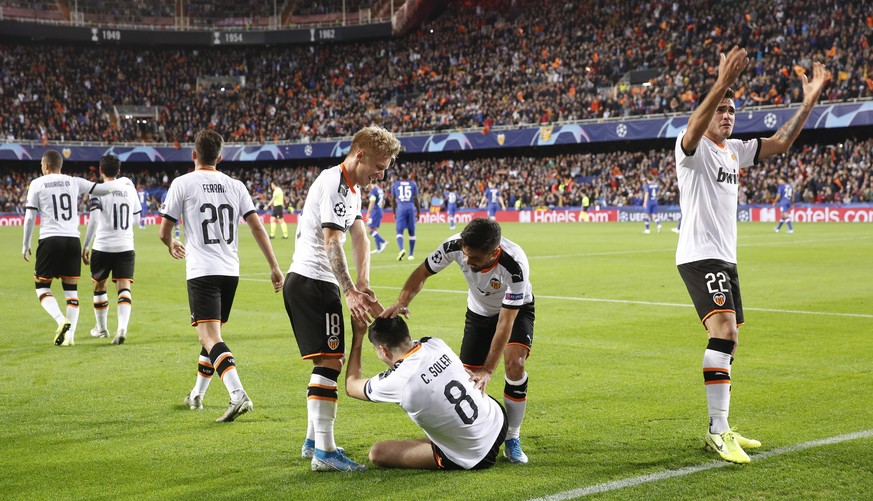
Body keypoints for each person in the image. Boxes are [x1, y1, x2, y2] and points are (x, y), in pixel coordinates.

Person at [675, 46, 827, 464]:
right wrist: (721, 82)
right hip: (699, 254)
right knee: (724, 331)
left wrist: (810, 99)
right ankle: (718, 430)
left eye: (732, 110)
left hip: (725, 258)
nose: (726, 115)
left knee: (731, 339)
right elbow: (693, 126)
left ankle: (719, 427)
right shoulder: (691, 149)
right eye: (720, 109)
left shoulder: (733, 151)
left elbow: (781, 141)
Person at [283, 125, 401, 472]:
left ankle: (313, 442)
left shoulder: (353, 190)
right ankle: (325, 453)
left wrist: (362, 282)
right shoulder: (335, 185)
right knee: (332, 363)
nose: (381, 175)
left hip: (316, 282)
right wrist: (349, 291)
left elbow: (360, 236)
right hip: (314, 281)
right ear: (360, 155)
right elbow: (332, 242)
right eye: (379, 166)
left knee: (327, 360)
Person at [382, 217, 534, 464]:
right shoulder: (455, 246)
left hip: (516, 311)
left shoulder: (514, 266)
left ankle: (512, 438)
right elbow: (423, 271)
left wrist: (488, 370)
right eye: (465, 255)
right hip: (478, 312)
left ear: (494, 252)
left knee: (515, 362)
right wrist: (402, 302)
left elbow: (505, 324)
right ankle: (471, 436)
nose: (466, 261)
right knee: (465, 379)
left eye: (474, 258)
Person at [159, 130, 284, 423]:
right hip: (231, 271)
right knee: (211, 337)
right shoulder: (236, 185)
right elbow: (256, 227)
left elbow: (164, 230)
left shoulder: (182, 183)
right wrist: (275, 266)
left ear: (194, 155)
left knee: (209, 336)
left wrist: (171, 243)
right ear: (220, 157)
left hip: (202, 270)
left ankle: (237, 394)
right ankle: (197, 394)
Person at [345, 316, 508, 470]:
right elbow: (397, 334)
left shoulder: (396, 382)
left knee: (378, 452)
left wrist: (357, 337)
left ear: (383, 350)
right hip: (498, 420)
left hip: (475, 454)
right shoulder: (435, 344)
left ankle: (449, 448)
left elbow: (351, 386)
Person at [22, 150, 127, 347]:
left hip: (50, 239)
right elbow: (103, 190)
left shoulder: (37, 183)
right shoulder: (74, 181)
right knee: (71, 292)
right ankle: (69, 338)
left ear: (45, 166)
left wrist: (25, 243)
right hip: (72, 240)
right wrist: (123, 182)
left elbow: (29, 217)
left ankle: (61, 320)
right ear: (60, 166)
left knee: (42, 287)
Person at [81, 154, 142, 345]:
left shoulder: (97, 191)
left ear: (100, 170)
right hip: (125, 245)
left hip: (103, 246)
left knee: (99, 286)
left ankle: (102, 329)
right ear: (119, 171)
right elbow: (137, 219)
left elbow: (95, 219)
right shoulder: (129, 190)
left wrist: (86, 244)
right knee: (124, 288)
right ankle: (122, 327)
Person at [391, 169, 419, 261]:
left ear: (401, 176)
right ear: (408, 176)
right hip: (411, 208)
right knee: (411, 231)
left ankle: (402, 249)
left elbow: (393, 199)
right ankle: (411, 254)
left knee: (399, 231)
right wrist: (418, 211)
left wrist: (394, 212)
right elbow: (416, 199)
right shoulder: (413, 184)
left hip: (400, 208)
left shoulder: (396, 184)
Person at [366, 181, 387, 253]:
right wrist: (380, 209)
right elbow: (384, 201)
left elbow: (372, 201)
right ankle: (378, 248)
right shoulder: (380, 189)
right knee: (375, 230)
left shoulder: (374, 190)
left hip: (375, 211)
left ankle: (383, 241)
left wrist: (368, 213)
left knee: (369, 229)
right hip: (380, 209)